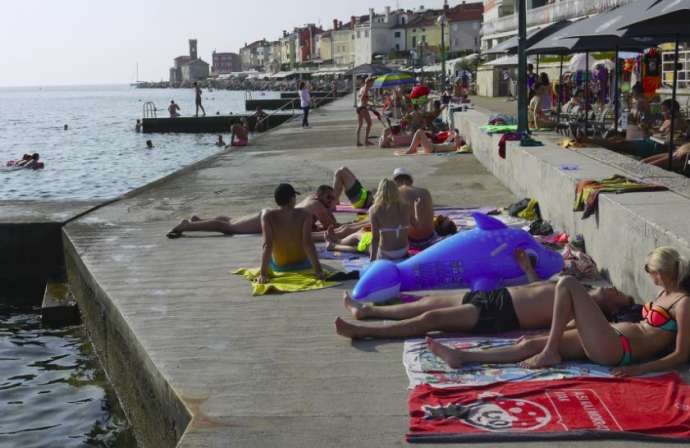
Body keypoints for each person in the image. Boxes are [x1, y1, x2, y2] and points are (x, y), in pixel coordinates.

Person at [427, 246, 690, 376]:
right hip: (610, 337)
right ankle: (462, 357)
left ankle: (550, 351)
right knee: (530, 342)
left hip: (619, 349)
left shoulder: (683, 303)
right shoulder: (663, 294)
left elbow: (680, 354)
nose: (649, 276)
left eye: (650, 271)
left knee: (567, 283)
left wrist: (638, 370)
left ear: (662, 272)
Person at [335, 249, 633, 339]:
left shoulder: (589, 311)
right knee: (426, 302)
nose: (618, 290)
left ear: (614, 309)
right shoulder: (583, 290)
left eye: (622, 296)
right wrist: (527, 268)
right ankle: (368, 311)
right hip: (498, 296)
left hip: (500, 314)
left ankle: (362, 331)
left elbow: (567, 328)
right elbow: (538, 290)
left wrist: (540, 341)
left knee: (430, 317)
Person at [166, 185, 339, 238]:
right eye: (329, 198)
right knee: (229, 227)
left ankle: (198, 220)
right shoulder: (318, 206)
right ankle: (186, 226)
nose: (332, 201)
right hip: (269, 218)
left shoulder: (313, 200)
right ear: (320, 196)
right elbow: (332, 227)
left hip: (269, 215)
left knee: (231, 221)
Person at [257, 183, 324, 283]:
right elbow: (308, 244)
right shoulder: (305, 214)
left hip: (280, 266)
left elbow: (267, 245)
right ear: (292, 199)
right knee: (314, 250)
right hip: (303, 264)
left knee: (269, 251)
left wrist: (263, 274)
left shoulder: (267, 216)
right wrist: (318, 271)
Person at [367, 178, 413, 261]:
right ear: (396, 191)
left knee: (370, 246)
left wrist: (372, 261)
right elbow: (416, 225)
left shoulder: (374, 210)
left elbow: (375, 238)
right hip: (403, 251)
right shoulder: (406, 207)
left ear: (380, 192)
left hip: (387, 253)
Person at [393, 168, 435, 250]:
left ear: (395, 182)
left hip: (412, 240)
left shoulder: (397, 193)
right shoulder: (425, 191)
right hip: (430, 236)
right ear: (411, 180)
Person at [395, 129, 464, 155]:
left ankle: (411, 150)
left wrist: (456, 134)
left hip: (432, 148)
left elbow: (457, 138)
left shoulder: (455, 145)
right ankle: (413, 149)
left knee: (419, 132)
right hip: (432, 147)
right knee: (420, 134)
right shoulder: (450, 143)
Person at [356, 76, 375, 146]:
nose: (373, 84)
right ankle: (366, 140)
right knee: (369, 123)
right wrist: (369, 104)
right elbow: (363, 99)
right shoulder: (366, 89)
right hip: (363, 107)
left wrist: (368, 103)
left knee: (360, 124)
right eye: (372, 83)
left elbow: (360, 98)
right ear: (369, 82)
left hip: (358, 108)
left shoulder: (362, 88)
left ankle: (358, 141)